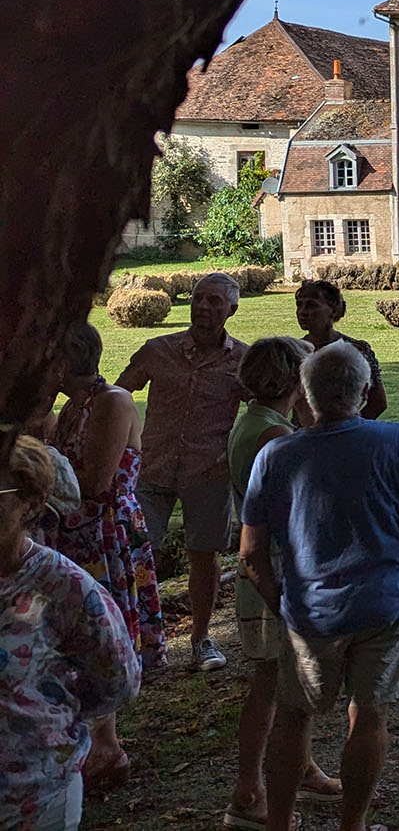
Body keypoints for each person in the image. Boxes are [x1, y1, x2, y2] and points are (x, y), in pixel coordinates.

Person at [240, 343, 399, 831]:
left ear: (306, 395)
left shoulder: (276, 454)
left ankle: (279, 822)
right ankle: (354, 825)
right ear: (365, 390)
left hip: (310, 611)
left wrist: (280, 599)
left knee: (294, 717)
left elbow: (250, 551)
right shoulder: (398, 441)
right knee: (369, 716)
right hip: (384, 600)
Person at [224, 336, 341, 826]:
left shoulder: (255, 423)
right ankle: (249, 792)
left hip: (266, 568)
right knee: (272, 685)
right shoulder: (275, 437)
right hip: (273, 570)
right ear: (295, 380)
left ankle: (301, 767)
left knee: (288, 682)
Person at [0, 435, 142, 831]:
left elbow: (117, 679)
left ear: (32, 504)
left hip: (35, 796)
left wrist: (50, 715)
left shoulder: (63, 586)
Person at [45, 323, 162, 795]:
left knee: (102, 630)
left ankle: (108, 749)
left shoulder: (112, 401)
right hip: (75, 533)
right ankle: (89, 743)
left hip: (104, 534)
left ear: (61, 363)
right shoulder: (69, 408)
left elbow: (93, 483)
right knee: (75, 634)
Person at [115, 271, 247, 673]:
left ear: (232, 310)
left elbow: (267, 407)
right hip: (152, 469)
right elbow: (117, 395)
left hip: (208, 473)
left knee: (204, 557)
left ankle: (201, 639)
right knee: (135, 553)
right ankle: (132, 639)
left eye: (215, 302)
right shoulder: (158, 350)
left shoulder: (242, 360)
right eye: (199, 299)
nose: (204, 307)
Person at [295, 280, 386, 420]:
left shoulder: (357, 350)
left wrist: (349, 428)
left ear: (333, 310)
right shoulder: (293, 352)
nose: (302, 312)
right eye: (299, 305)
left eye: (311, 305)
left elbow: (378, 402)